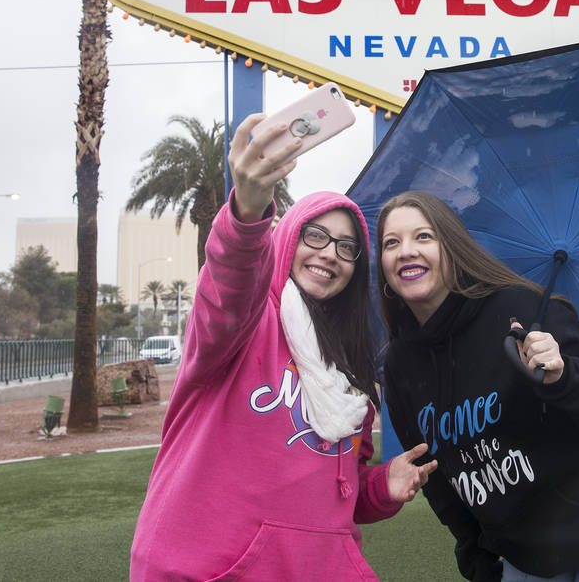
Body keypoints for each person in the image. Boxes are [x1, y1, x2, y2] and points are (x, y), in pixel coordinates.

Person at [130, 115, 436, 581]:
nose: (330, 253)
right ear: (288, 237)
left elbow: (338, 496)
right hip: (214, 569)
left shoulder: (351, 378)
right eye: (316, 235)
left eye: (348, 247)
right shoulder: (241, 328)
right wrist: (247, 214)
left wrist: (381, 487)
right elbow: (229, 284)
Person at [376, 191, 579, 582]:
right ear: (383, 265)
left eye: (424, 236)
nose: (406, 251)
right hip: (531, 551)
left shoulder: (518, 309)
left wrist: (564, 376)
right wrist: (476, 555)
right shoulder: (400, 366)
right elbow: (436, 475)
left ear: (451, 248)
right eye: (392, 242)